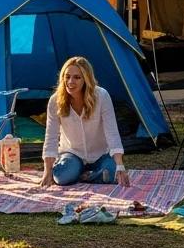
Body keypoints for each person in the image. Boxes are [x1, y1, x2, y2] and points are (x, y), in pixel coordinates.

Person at [40, 56, 131, 188]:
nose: (70, 81)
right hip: (72, 153)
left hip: (100, 154)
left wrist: (120, 165)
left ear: (86, 79)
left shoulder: (102, 96)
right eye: (67, 76)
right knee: (62, 177)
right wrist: (47, 171)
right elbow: (51, 136)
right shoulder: (55, 101)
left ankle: (85, 175)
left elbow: (112, 132)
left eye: (77, 77)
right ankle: (81, 172)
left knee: (112, 174)